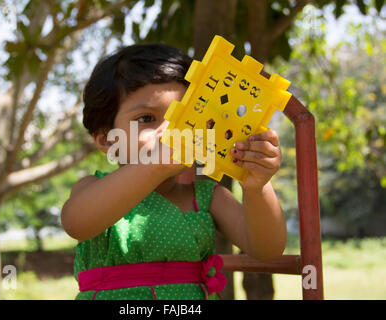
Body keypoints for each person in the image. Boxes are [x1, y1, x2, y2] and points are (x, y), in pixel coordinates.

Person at [61, 42, 287, 300]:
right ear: (106, 139)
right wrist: (156, 165)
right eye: (146, 118)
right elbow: (76, 223)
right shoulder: (93, 188)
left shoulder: (207, 196)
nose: (170, 130)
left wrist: (256, 186)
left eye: (184, 115)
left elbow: (267, 250)